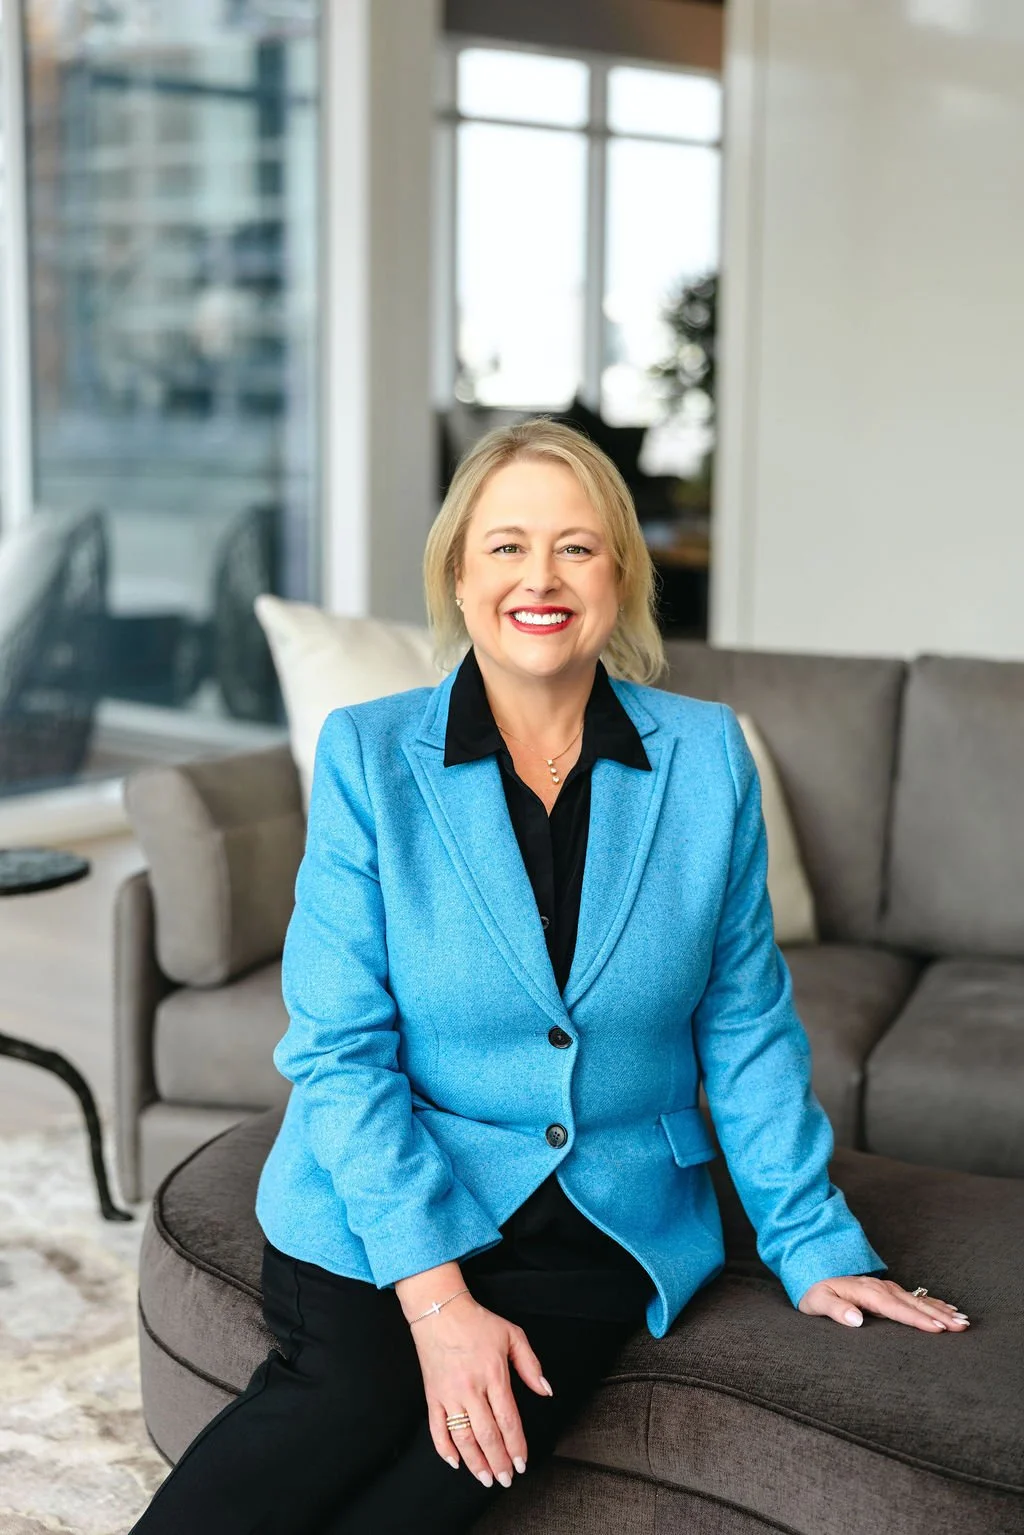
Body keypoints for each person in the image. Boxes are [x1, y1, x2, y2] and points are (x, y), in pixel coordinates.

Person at [130, 420, 968, 1535]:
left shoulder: (706, 754)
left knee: (441, 1484)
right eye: (507, 546)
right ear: (458, 576)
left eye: (576, 547)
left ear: (620, 576)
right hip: (393, 1191)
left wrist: (811, 1241)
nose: (541, 577)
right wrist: (437, 1304)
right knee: (347, 1399)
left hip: (600, 1218)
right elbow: (338, 1048)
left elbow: (745, 1021)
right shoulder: (369, 755)